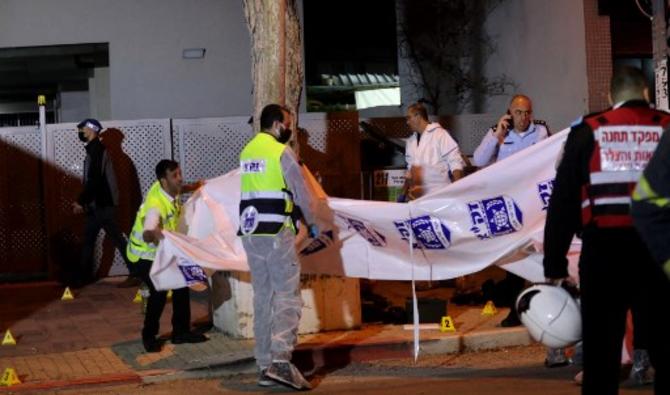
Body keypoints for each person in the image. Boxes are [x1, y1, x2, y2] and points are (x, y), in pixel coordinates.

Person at [544, 66, 670, 394]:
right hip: (658, 254)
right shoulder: (666, 127)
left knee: (601, 356)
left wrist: (554, 263)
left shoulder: (588, 131)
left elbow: (563, 201)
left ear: (611, 97)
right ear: (646, 94)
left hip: (604, 254)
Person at [238, 104, 318, 390]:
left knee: (263, 298)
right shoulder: (280, 152)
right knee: (287, 296)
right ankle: (281, 362)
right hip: (275, 235)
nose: (290, 129)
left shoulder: (247, 152)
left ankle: (264, 365)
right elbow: (301, 193)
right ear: (276, 124)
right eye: (288, 123)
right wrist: (311, 222)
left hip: (250, 233)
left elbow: (264, 190)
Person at [126, 159, 207, 352]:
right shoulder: (156, 204)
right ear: (163, 181)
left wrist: (195, 186)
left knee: (182, 282)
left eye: (179, 173)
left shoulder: (168, 188)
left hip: (164, 251)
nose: (180, 178)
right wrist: (153, 234)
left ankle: (181, 332)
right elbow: (149, 226)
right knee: (159, 291)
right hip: (143, 256)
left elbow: (180, 188)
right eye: (175, 175)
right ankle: (149, 336)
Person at [72, 118, 138, 288]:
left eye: (83, 129)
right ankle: (81, 278)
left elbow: (94, 181)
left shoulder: (98, 151)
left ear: (92, 130)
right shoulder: (95, 150)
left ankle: (136, 273)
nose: (81, 132)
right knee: (95, 240)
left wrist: (81, 201)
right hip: (98, 205)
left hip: (102, 206)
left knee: (114, 240)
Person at [401, 102, 465, 200]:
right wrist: (402, 194)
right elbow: (410, 171)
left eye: (409, 118)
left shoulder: (440, 134)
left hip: (440, 195)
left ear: (418, 116)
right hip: (418, 198)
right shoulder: (411, 142)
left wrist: (458, 192)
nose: (407, 122)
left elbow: (455, 162)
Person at [472, 94, 551, 167]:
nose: (523, 117)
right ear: (510, 112)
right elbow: (478, 162)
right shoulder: (497, 131)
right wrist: (496, 136)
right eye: (518, 112)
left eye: (527, 112)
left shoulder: (542, 129)